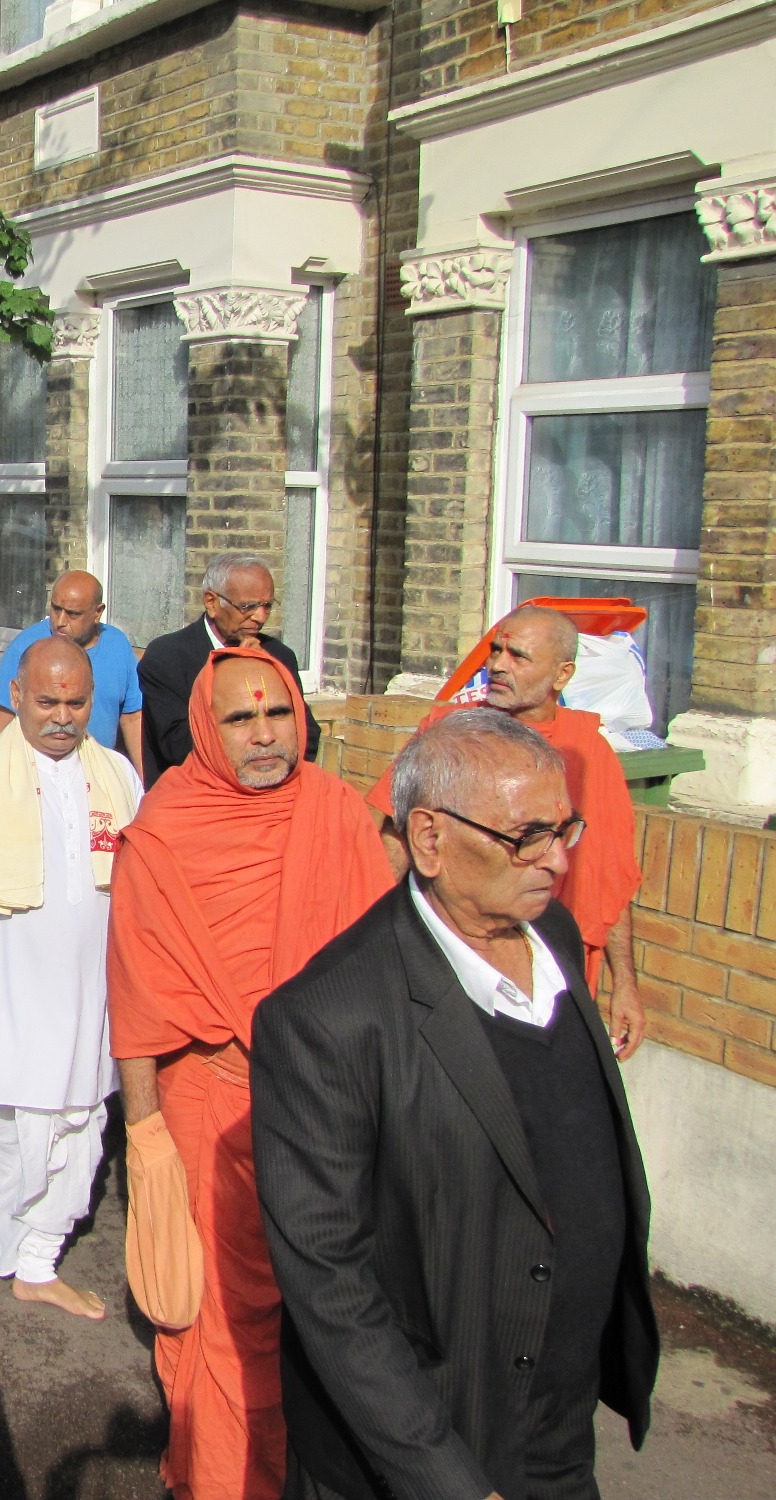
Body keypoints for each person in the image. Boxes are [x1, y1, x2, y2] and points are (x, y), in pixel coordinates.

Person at [253, 708, 658, 1500]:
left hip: (559, 1428)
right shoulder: (327, 1018)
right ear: (430, 839)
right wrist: (448, 1480)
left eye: (566, 831)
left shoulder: (559, 938)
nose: (558, 862)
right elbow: (331, 1285)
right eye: (526, 837)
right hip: (431, 1453)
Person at [109, 644, 394, 1500]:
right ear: (204, 726)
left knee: (338, 1312)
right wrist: (145, 1130)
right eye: (241, 718)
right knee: (226, 1320)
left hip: (333, 1109)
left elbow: (384, 966)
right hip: (212, 1102)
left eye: (279, 714)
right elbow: (136, 993)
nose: (265, 735)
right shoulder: (166, 824)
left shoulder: (337, 811)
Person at [0, 635, 140, 1316]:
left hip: (83, 1001)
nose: (63, 717)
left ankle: (37, 1260)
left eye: (76, 702)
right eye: (47, 701)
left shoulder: (120, 779)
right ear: (16, 695)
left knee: (76, 1124)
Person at [365, 604, 647, 1058]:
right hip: (451, 953)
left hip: (550, 964)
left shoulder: (588, 752)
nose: (496, 665)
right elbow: (393, 847)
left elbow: (610, 881)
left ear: (562, 675)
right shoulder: (449, 733)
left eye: (518, 656)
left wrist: (626, 986)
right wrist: (362, 943)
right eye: (495, 649)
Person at [139, 552, 320, 785]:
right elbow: (177, 748)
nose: (260, 617)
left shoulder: (279, 656)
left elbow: (309, 737)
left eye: (267, 606)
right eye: (248, 606)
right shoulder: (168, 657)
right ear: (211, 603)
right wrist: (233, 670)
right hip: (197, 798)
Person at [0, 570, 140, 770]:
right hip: (37, 776)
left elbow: (133, 718)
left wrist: (143, 785)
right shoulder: (26, 648)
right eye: (56, 609)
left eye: (73, 614)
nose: (60, 621)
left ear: (97, 612)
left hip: (100, 776)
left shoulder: (117, 645)